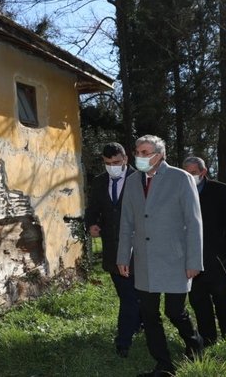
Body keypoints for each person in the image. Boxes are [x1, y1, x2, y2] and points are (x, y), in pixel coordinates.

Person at [116, 135, 204, 377]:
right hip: (144, 260)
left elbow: (194, 223)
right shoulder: (133, 182)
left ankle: (195, 344)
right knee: (149, 313)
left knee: (175, 311)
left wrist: (194, 261)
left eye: (146, 152)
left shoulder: (180, 178)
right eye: (138, 152)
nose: (140, 157)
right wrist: (123, 256)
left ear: (160, 154)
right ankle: (164, 364)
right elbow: (127, 222)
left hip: (176, 259)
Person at [85, 142, 142, 358]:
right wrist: (91, 224)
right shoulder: (99, 182)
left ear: (126, 159)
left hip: (138, 248)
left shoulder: (140, 179)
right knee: (127, 294)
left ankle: (123, 341)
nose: (113, 167)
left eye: (116, 162)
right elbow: (92, 210)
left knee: (131, 296)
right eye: (108, 163)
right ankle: (138, 322)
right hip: (112, 249)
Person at [182, 157, 226, 346]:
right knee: (198, 299)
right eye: (186, 172)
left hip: (218, 255)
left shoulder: (220, 190)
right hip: (191, 256)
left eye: (193, 172)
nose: (190, 176)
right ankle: (208, 338)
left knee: (221, 297)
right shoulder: (180, 191)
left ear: (203, 172)